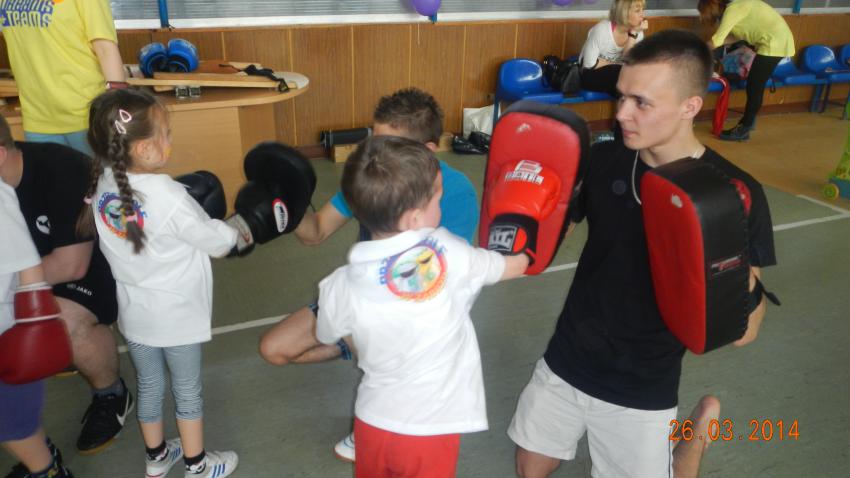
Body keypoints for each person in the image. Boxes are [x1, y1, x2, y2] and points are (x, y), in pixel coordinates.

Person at [508, 30, 776, 478]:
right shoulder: (605, 160)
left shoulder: (733, 192)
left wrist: (724, 248)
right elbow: (540, 250)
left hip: (643, 378)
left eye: (641, 103)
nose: (621, 113)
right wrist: (524, 208)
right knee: (530, 469)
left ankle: (692, 439)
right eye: (621, 96)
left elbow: (746, 333)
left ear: (690, 106)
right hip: (570, 352)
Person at [257, 87, 479, 461]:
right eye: (374, 142)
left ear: (427, 150)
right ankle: (357, 349)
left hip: (419, 313)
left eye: (388, 145)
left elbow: (443, 285)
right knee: (274, 348)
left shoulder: (456, 194)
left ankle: (378, 406)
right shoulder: (374, 175)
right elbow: (315, 233)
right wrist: (287, 203)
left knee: (385, 355)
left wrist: (369, 319)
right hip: (369, 298)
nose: (375, 155)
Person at [316, 135, 529, 477]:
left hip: (372, 422)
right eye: (437, 200)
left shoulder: (339, 283)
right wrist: (535, 232)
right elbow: (514, 266)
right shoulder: (450, 252)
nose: (440, 207)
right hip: (431, 428)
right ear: (415, 218)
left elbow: (329, 333)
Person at [79, 88, 239, 478]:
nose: (170, 141)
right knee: (187, 390)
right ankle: (197, 466)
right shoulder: (166, 194)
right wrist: (241, 227)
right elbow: (217, 243)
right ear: (145, 148)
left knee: (149, 385)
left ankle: (157, 459)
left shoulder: (102, 184)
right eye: (165, 134)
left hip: (135, 314)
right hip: (176, 314)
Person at [0, 114, 133, 460]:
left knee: (59, 320)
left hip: (94, 268)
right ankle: (32, 448)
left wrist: (7, 291)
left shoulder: (62, 170)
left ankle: (111, 394)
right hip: (29, 272)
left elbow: (71, 265)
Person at [1, 177, 74, 478]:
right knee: (18, 421)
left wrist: (36, 325)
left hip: (5, 332)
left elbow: (29, 267)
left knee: (12, 423)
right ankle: (43, 459)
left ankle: (46, 470)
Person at [0, 0, 126, 156]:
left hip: (87, 115)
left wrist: (117, 109)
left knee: (97, 173)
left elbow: (105, 48)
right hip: (37, 117)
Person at [698, 0, 795, 141]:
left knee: (754, 86)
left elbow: (716, 41)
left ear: (710, 10)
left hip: (774, 43)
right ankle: (748, 124)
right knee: (755, 86)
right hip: (774, 41)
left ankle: (744, 128)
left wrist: (696, 50)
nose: (702, 17)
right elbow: (734, 37)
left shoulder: (734, 9)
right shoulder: (737, 7)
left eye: (702, 13)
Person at [578, 0, 649, 98]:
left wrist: (632, 34)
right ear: (624, 13)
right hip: (588, 74)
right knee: (622, 74)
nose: (643, 15)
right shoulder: (602, 30)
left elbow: (630, 63)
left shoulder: (637, 32)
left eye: (643, 10)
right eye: (637, 11)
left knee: (632, 76)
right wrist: (618, 64)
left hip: (616, 77)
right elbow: (589, 64)